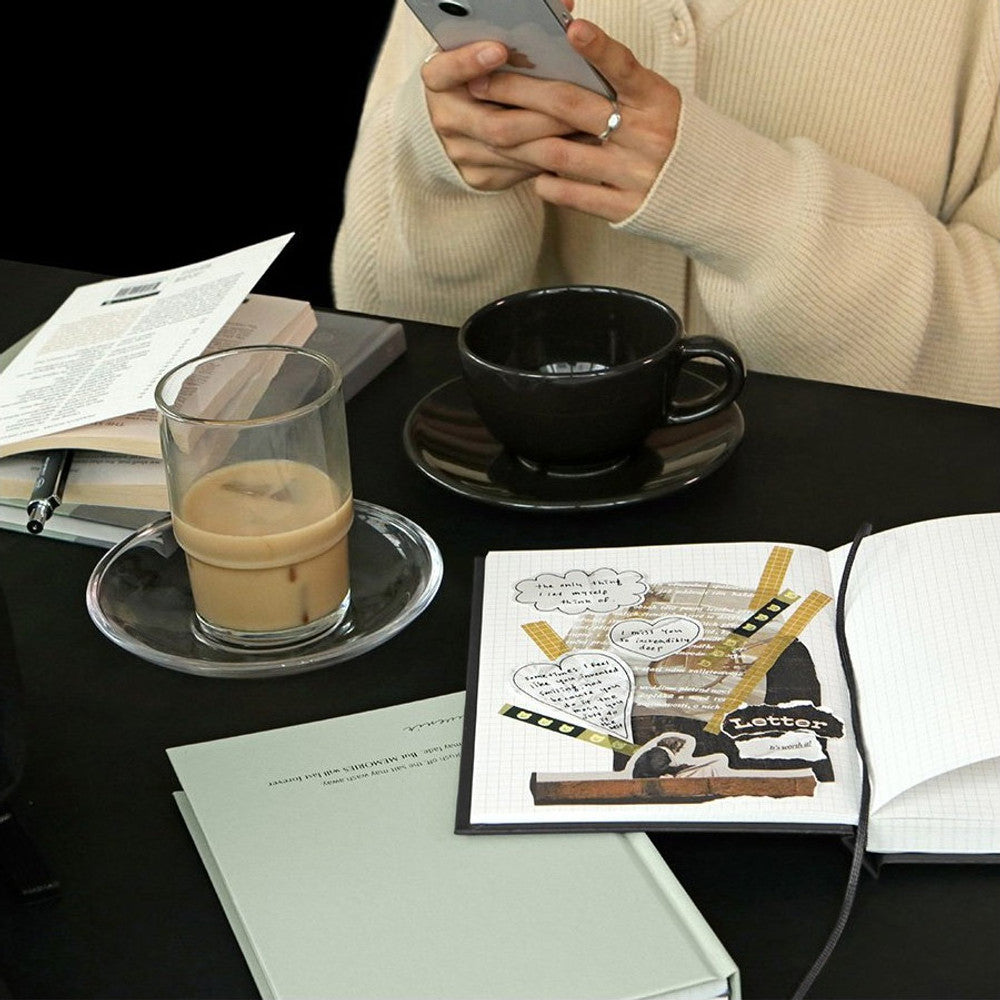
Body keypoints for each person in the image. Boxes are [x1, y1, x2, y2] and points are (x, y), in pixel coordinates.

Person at [333, 1, 999, 407]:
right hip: (518, 522)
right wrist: (439, 157)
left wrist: (737, 196)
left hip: (868, 542)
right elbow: (384, 325)